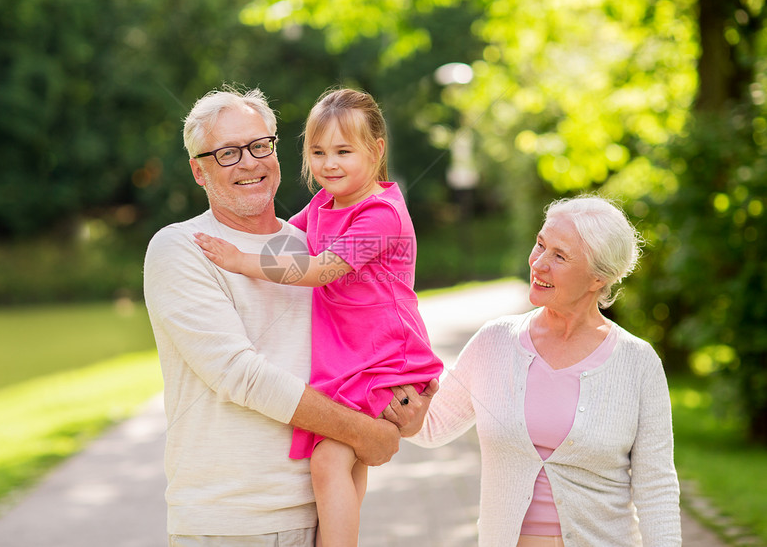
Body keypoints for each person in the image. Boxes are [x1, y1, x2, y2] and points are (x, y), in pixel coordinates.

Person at [143, 85, 434, 547]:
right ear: (198, 170)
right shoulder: (184, 248)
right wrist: (366, 432)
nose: (250, 161)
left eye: (260, 145)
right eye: (227, 153)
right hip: (230, 522)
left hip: (313, 515)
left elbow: (354, 335)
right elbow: (242, 375)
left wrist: (402, 412)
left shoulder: (314, 250)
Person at [403, 195, 682, 546]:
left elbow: (656, 487)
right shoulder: (495, 342)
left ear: (598, 278)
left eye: (559, 256)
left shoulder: (638, 363)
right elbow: (429, 425)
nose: (539, 263)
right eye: (540, 244)